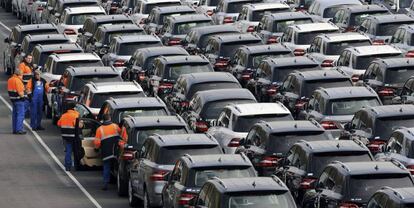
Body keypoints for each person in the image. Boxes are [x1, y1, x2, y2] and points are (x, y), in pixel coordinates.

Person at [94, 114, 122, 190]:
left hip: (106, 152)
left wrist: (96, 148)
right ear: (110, 118)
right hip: (116, 151)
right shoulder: (115, 126)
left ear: (103, 120)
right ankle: (119, 183)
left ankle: (105, 183)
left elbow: (97, 143)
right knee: (119, 166)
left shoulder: (99, 129)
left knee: (106, 167)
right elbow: (121, 135)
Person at [57, 102, 79, 171]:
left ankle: (67, 166)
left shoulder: (64, 115)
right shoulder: (75, 115)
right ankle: (75, 165)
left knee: (68, 151)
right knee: (76, 150)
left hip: (65, 136)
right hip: (73, 135)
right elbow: (78, 125)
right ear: (74, 108)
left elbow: (59, 124)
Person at [7, 69, 27, 134]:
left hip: (13, 99)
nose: (22, 76)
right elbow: (20, 92)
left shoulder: (10, 80)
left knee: (15, 115)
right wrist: (24, 97)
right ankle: (19, 129)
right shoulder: (18, 80)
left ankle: (15, 129)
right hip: (19, 100)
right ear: (19, 74)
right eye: (22, 75)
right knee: (20, 115)